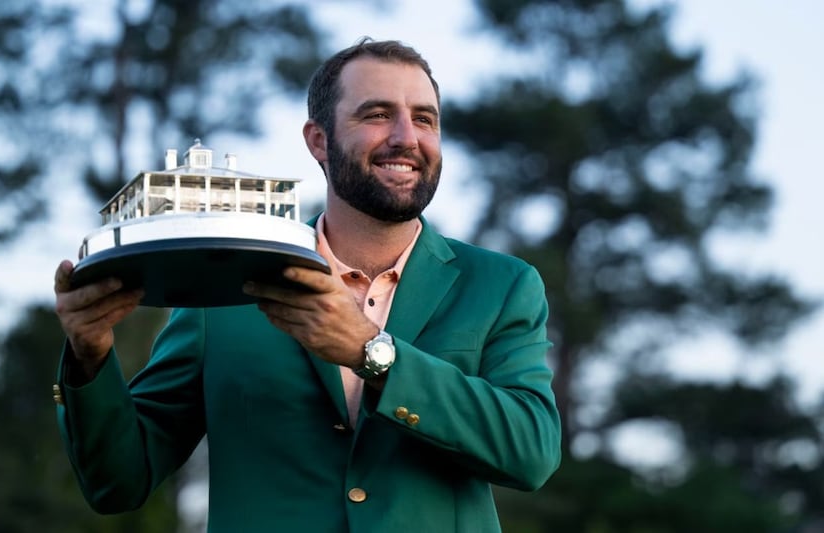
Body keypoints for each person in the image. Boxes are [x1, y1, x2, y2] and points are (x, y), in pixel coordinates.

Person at [53, 37, 561, 532]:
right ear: (319, 140)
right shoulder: (223, 286)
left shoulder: (501, 284)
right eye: (378, 114)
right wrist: (90, 357)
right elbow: (118, 482)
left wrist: (371, 352)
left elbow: (531, 452)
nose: (407, 136)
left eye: (424, 118)